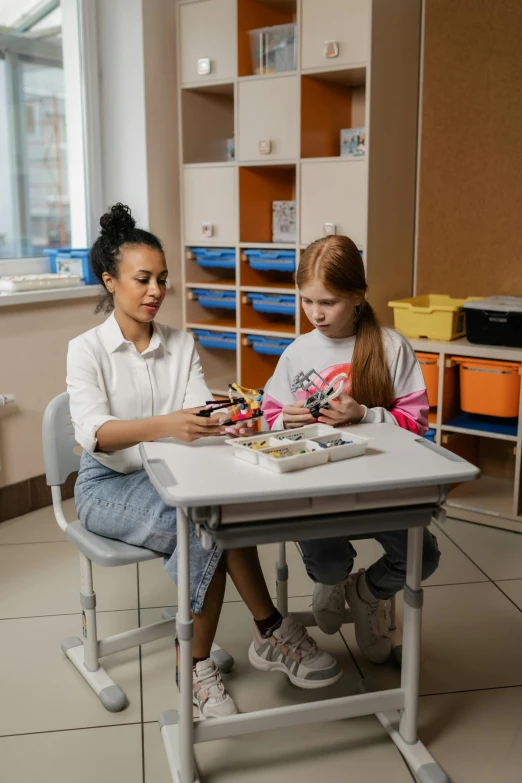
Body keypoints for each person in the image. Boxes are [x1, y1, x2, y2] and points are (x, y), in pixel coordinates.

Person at [67, 205, 343, 720]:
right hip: (107, 485)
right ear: (110, 281)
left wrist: (226, 422)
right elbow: (96, 435)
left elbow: (198, 416)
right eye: (142, 279)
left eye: (163, 279)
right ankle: (216, 656)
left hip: (175, 473)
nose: (155, 290)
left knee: (222, 512)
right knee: (203, 528)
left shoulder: (181, 342)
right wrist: (171, 423)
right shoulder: (86, 350)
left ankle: (249, 639)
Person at [263, 235, 441, 664]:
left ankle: (366, 594)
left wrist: (364, 414)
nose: (316, 314)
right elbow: (268, 420)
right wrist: (285, 419)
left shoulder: (391, 347)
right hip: (316, 492)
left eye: (328, 302)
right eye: (306, 301)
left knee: (423, 558)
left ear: (358, 296)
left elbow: (417, 425)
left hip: (380, 487)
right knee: (326, 564)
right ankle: (335, 580)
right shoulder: (297, 352)